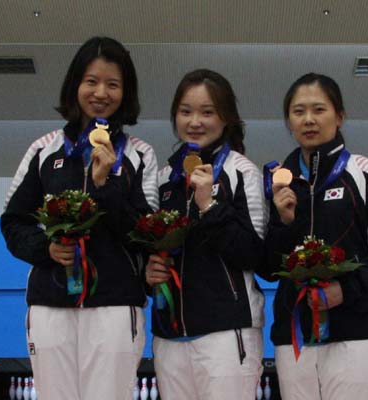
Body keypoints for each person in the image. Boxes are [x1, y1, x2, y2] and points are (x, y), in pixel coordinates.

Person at [0, 37, 158, 400]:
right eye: (91, 81)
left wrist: (105, 185)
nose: (101, 92)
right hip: (49, 302)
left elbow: (145, 233)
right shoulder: (44, 149)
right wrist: (46, 249)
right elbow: (13, 221)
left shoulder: (140, 154)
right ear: (75, 85)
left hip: (116, 305)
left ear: (126, 92)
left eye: (113, 84)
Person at [258, 73, 368, 400]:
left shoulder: (365, 172)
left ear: (339, 116)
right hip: (295, 337)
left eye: (319, 109)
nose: (309, 119)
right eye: (299, 111)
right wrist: (285, 224)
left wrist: (346, 289)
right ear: (288, 120)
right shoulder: (276, 183)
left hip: (358, 333)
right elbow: (269, 267)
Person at [145, 69, 267, 400]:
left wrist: (209, 206)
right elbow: (150, 246)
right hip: (168, 334)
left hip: (227, 332)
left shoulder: (241, 172)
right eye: (186, 111)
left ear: (226, 117)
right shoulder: (163, 176)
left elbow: (256, 254)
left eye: (207, 112)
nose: (195, 121)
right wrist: (149, 273)